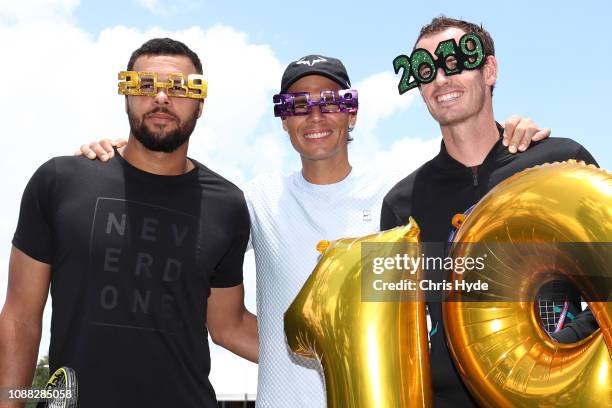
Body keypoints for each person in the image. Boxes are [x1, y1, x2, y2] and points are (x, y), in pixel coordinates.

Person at [78, 52, 549, 406]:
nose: (316, 116)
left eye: (330, 101)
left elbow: (469, 274)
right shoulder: (256, 200)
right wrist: (122, 154)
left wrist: (514, 141)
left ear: (352, 113)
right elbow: (226, 325)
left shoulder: (400, 199)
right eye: (299, 104)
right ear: (284, 120)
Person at [0, 38, 257, 408]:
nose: (163, 98)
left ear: (200, 104)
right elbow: (20, 317)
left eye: (181, 88)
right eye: (146, 85)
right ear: (126, 95)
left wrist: (328, 355)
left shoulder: (227, 205)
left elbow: (229, 325)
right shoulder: (60, 181)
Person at [380, 16, 599, 407]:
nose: (441, 80)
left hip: (562, 391)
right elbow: (397, 336)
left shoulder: (562, 161)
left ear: (490, 70)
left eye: (455, 62)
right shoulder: (401, 204)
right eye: (426, 71)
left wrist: (554, 349)